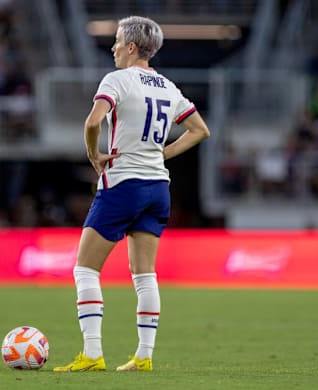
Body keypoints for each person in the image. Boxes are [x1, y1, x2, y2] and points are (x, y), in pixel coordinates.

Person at [53, 16, 210, 372]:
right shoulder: (169, 87)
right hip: (158, 187)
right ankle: (144, 355)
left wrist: (94, 154)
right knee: (144, 275)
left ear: (132, 47)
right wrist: (165, 153)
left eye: (117, 41)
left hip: (123, 183)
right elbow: (200, 130)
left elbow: (93, 122)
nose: (113, 48)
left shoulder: (118, 80)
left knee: (85, 270)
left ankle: (92, 354)